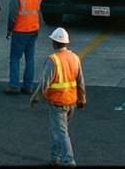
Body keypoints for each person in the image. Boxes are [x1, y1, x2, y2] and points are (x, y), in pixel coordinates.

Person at [29, 27, 87, 166]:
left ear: (55, 43)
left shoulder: (53, 60)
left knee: (61, 133)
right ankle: (55, 157)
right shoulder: (75, 58)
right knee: (62, 132)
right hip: (71, 101)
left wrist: (35, 98)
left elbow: (45, 83)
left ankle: (69, 161)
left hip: (58, 102)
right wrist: (82, 98)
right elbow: (80, 80)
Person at [5, 0, 42, 94]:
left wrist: (9, 30)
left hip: (20, 31)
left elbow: (12, 16)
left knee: (15, 58)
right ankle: (28, 86)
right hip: (33, 31)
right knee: (30, 60)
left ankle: (14, 86)